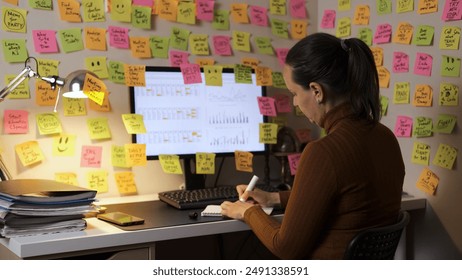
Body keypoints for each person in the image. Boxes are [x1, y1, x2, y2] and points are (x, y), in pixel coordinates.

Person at [220, 32, 405, 259]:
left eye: (295, 93)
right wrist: (272, 199)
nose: (295, 103)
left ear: (317, 91)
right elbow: (344, 199)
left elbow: (285, 248)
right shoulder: (385, 137)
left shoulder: (323, 152)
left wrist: (248, 212)